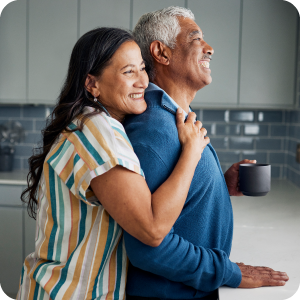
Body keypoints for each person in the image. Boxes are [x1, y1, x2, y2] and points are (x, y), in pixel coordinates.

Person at [17, 27, 210, 300]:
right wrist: (192, 151)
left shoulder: (90, 123)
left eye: (142, 68)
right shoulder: (98, 131)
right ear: (92, 84)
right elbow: (152, 229)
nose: (143, 81)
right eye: (128, 72)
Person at [123, 6, 289, 300]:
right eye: (196, 39)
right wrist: (230, 272)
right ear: (161, 53)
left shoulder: (173, 118)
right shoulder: (155, 131)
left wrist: (219, 187)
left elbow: (173, 203)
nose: (209, 49)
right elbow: (149, 249)